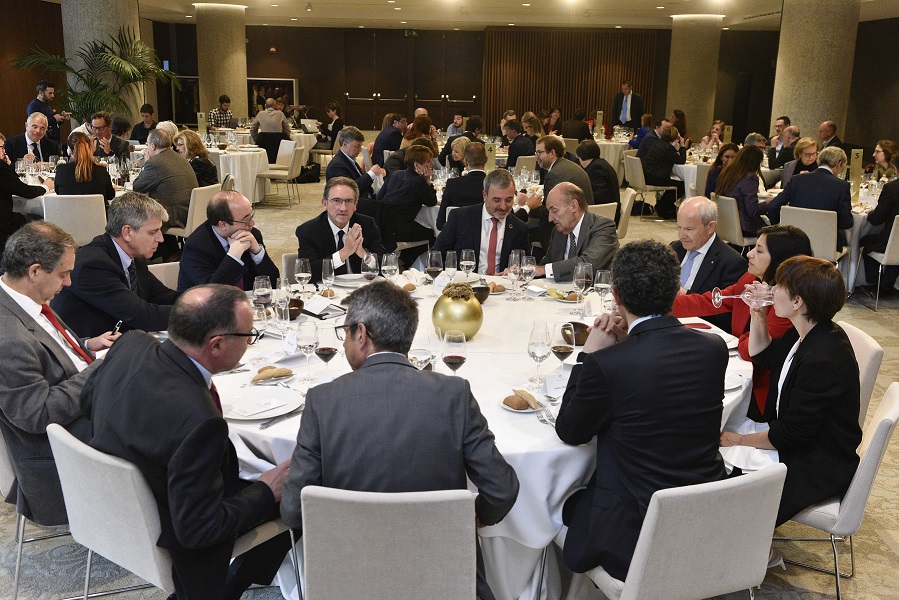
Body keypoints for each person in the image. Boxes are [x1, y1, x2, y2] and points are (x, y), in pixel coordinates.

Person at [280, 280, 519, 600]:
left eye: (345, 332)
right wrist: (473, 516)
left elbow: (294, 510)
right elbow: (502, 489)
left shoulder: (322, 401)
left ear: (361, 334)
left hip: (350, 582)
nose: (345, 341)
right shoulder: (454, 394)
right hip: (443, 579)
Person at [81, 284, 292, 599]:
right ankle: (229, 588)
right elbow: (199, 529)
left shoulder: (131, 343)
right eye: (248, 336)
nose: (250, 342)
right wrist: (265, 490)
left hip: (111, 502)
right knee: (299, 490)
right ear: (216, 345)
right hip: (172, 524)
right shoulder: (200, 421)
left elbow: (86, 402)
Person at [556, 239, 727, 580]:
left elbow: (570, 431)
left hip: (636, 535)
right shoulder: (714, 347)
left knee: (554, 505)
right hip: (705, 516)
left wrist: (587, 356)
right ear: (675, 291)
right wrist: (629, 344)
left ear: (616, 296)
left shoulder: (606, 365)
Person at [720, 256, 861, 531]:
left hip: (818, 461)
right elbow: (763, 355)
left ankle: (749, 545)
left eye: (779, 286)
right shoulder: (806, 332)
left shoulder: (824, 357)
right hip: (800, 440)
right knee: (719, 455)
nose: (771, 290)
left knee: (722, 475)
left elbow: (791, 434)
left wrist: (739, 440)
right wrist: (758, 314)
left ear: (797, 302)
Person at [0, 223, 118, 526]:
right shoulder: (8, 337)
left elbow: (50, 350)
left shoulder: (21, 301)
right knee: (171, 428)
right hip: (64, 452)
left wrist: (87, 346)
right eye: (63, 274)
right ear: (35, 271)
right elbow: (37, 414)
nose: (68, 283)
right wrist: (100, 368)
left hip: (82, 412)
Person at [673, 225, 812, 420]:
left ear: (780, 260)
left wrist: (744, 336)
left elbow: (752, 350)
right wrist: (659, 305)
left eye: (759, 251)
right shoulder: (750, 278)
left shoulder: (789, 303)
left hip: (762, 391)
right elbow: (712, 301)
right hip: (741, 371)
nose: (749, 254)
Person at [51, 192, 180, 337]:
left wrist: (198, 303)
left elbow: (163, 296)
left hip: (119, 341)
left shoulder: (133, 256)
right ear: (127, 232)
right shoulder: (93, 265)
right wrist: (194, 316)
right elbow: (141, 315)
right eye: (153, 232)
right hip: (87, 347)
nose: (161, 239)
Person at [178, 191, 280, 292]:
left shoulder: (251, 235)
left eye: (251, 217)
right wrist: (233, 257)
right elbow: (212, 293)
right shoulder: (196, 247)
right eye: (246, 220)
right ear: (223, 225)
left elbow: (274, 284)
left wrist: (257, 252)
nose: (252, 223)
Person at [434, 168, 529, 275]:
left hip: (503, 283)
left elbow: (525, 266)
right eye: (497, 200)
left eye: (508, 200)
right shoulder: (460, 218)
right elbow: (436, 255)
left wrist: (516, 271)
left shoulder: (520, 228)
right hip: (465, 282)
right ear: (485, 196)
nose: (503, 207)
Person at [296, 176, 387, 283]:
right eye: (336, 201)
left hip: (361, 288)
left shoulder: (367, 225)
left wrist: (364, 255)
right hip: (326, 289)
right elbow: (307, 272)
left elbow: (385, 267)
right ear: (324, 204)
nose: (343, 208)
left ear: (355, 204)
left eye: (349, 201)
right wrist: (344, 253)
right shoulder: (308, 231)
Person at [515, 135, 595, 254]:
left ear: (552, 153)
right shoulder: (569, 165)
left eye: (540, 153)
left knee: (520, 229)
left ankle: (529, 261)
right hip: (583, 221)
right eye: (536, 153)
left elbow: (550, 213)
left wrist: (528, 205)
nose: (536, 157)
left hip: (568, 228)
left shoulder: (554, 175)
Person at [763, 146, 853, 248]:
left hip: (794, 241)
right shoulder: (842, 186)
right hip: (826, 244)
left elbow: (772, 206)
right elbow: (846, 222)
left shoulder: (797, 179)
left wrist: (781, 227)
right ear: (839, 164)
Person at [534, 182, 618, 281]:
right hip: (560, 289)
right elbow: (547, 264)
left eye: (554, 211)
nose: (550, 219)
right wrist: (528, 272)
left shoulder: (604, 227)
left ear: (574, 206)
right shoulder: (558, 231)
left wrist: (543, 269)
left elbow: (588, 264)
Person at [376, 145, 438, 267]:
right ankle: (402, 263)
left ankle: (401, 263)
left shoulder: (396, 174)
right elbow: (431, 201)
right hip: (399, 229)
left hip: (383, 226)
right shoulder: (418, 181)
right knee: (433, 235)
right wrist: (428, 180)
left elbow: (379, 198)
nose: (431, 165)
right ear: (416, 165)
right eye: (427, 162)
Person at [671, 196, 746, 295]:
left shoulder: (731, 263)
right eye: (679, 227)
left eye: (689, 229)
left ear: (710, 227)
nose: (681, 235)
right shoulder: (675, 248)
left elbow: (724, 303)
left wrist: (682, 295)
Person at [133, 129, 199, 233]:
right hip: (191, 212)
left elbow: (137, 186)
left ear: (153, 146)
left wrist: (146, 163)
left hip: (174, 216)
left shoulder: (155, 162)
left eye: (147, 144)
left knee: (133, 217)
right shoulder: (181, 158)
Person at [0, 136, 51, 254]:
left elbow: (10, 183)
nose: (4, 151)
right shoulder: (0, 167)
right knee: (39, 219)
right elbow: (26, 191)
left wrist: (8, 166)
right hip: (4, 223)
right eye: (2, 147)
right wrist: (46, 186)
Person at [860, 153, 899, 297]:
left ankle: (877, 285)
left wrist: (871, 213)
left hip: (890, 242)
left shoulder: (892, 188)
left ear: (896, 169)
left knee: (864, 242)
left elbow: (877, 219)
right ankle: (888, 284)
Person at [325, 126, 386, 218]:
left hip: (360, 199)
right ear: (345, 144)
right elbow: (349, 190)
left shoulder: (349, 160)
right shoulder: (336, 165)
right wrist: (371, 174)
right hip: (349, 205)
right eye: (357, 146)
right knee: (385, 208)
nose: (360, 150)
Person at [715, 145, 767, 237]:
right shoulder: (749, 178)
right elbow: (752, 210)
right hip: (745, 227)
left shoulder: (726, 173)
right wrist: (767, 204)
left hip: (726, 224)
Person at [53, 132, 115, 203]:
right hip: (96, 210)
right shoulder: (101, 171)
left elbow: (58, 192)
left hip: (68, 210)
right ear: (90, 148)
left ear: (70, 150)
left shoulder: (61, 171)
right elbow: (111, 195)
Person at [437, 142, 486, 229]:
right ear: (486, 159)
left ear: (465, 161)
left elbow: (440, 224)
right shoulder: (493, 184)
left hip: (458, 235)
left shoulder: (453, 184)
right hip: (486, 235)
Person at [641, 125, 686, 219]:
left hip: (646, 175)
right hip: (656, 178)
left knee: (675, 182)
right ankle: (663, 206)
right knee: (682, 185)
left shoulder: (657, 143)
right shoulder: (668, 149)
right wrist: (682, 146)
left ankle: (663, 205)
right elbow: (682, 160)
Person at [576, 139, 621, 223]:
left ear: (581, 157)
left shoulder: (596, 168)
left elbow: (600, 195)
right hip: (609, 210)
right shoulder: (600, 163)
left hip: (606, 213)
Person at [250, 98, 291, 163]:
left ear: (265, 106)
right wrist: (284, 141)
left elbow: (252, 129)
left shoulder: (260, 114)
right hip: (278, 145)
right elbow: (287, 129)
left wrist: (258, 140)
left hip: (263, 144)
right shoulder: (280, 114)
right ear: (275, 106)